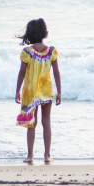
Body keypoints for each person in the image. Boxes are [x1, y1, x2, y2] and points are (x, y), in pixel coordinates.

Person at [14, 17, 61, 164]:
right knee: (46, 122)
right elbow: (56, 72)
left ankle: (30, 155)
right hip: (46, 91)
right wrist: (59, 91)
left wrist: (17, 90)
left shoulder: (27, 52)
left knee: (31, 124)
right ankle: (47, 155)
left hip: (31, 92)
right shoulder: (51, 51)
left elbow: (22, 72)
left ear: (30, 34)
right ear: (44, 33)